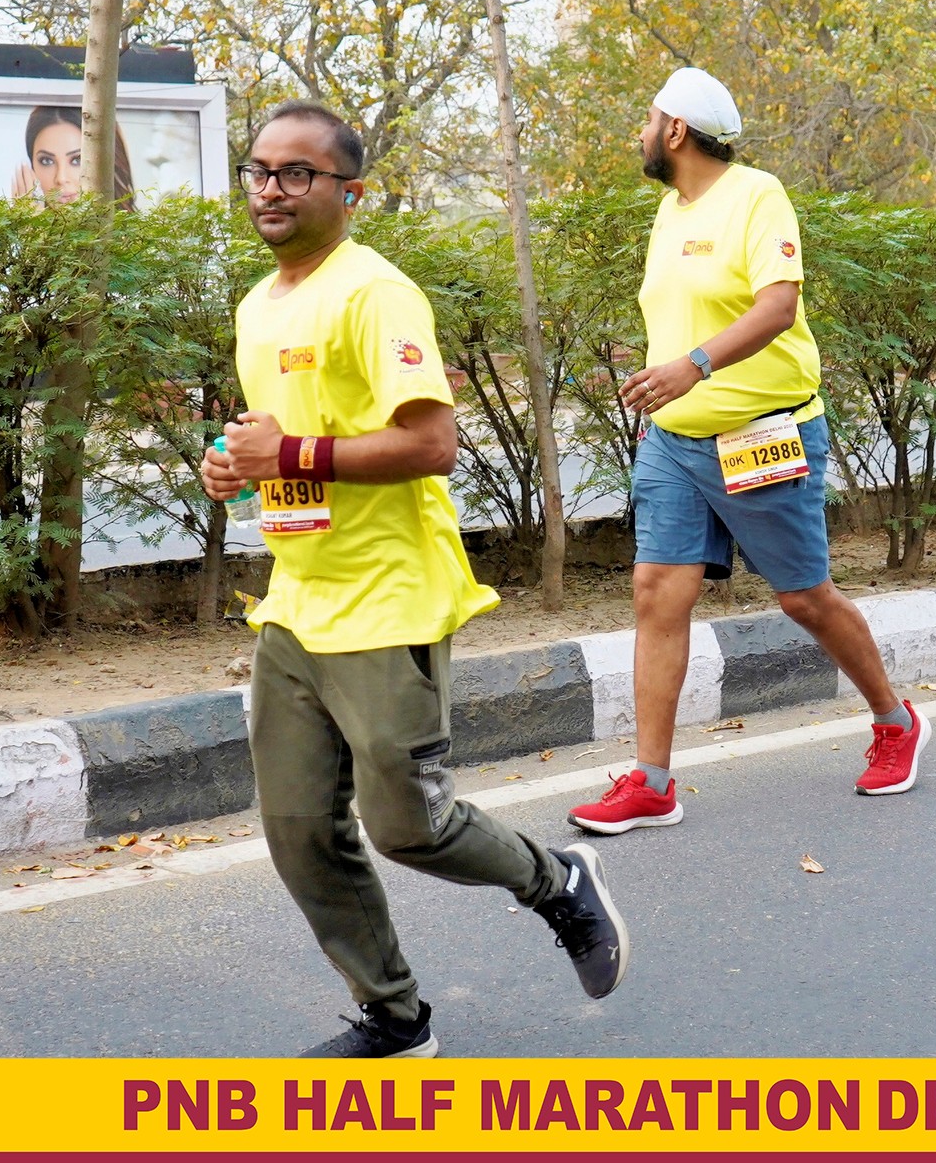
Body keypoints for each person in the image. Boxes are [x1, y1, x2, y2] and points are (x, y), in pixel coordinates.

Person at [200, 99, 628, 1057]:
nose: (271, 189)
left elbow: (432, 445)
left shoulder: (375, 293)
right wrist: (234, 466)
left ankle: (557, 881)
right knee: (297, 829)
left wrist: (289, 453)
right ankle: (395, 1018)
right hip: (297, 601)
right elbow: (284, 441)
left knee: (408, 828)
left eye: (297, 173)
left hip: (387, 597)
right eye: (259, 171)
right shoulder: (259, 304)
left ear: (350, 193)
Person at [567, 68, 931, 835]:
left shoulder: (756, 195)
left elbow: (778, 306)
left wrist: (693, 366)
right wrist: (659, 379)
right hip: (673, 440)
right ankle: (652, 782)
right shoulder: (670, 210)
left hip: (760, 434)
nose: (641, 132)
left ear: (675, 130)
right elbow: (683, 315)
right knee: (656, 594)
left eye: (649, 118)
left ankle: (896, 722)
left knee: (803, 596)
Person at [10, 105, 136, 209]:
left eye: (77, 160)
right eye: (47, 161)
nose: (61, 178)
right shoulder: (14, 229)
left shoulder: (135, 231)